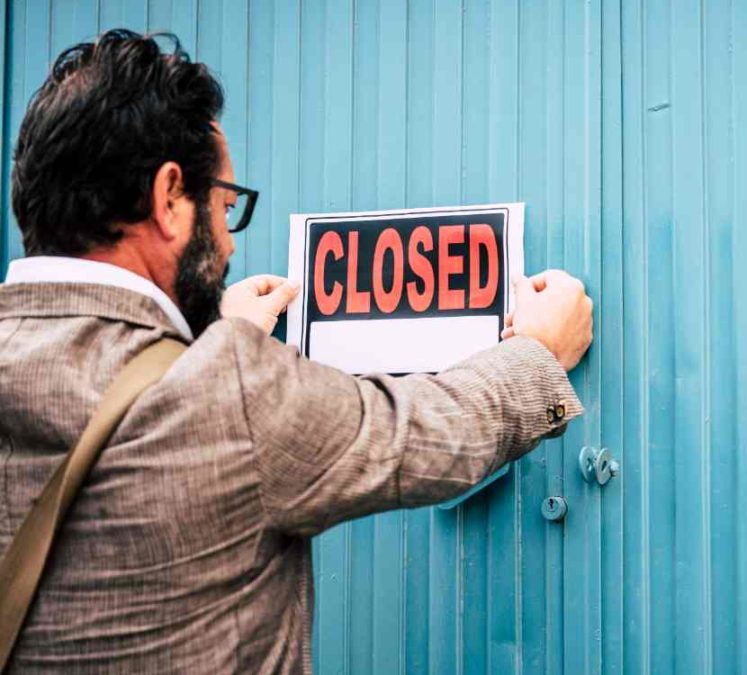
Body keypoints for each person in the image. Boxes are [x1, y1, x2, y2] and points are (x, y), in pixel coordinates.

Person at [0, 30, 592, 673]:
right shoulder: (229, 390)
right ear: (169, 198)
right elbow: (427, 430)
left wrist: (198, 343)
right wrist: (538, 350)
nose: (227, 246)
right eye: (227, 206)